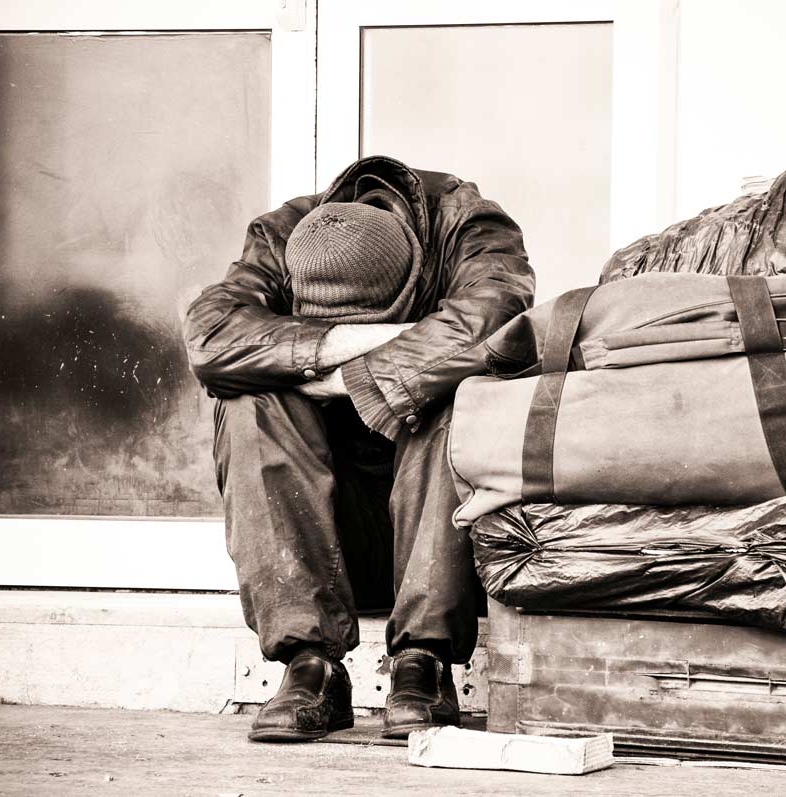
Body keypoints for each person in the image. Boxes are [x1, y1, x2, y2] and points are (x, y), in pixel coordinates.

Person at [184, 156, 534, 742]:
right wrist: (346, 344)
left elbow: (494, 326)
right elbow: (210, 338)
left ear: (412, 277)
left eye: (366, 324)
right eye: (327, 327)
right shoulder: (286, 236)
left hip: (442, 542)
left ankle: (424, 662)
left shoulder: (473, 230)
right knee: (249, 401)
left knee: (454, 390)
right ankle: (310, 665)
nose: (344, 344)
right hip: (329, 543)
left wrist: (344, 375)